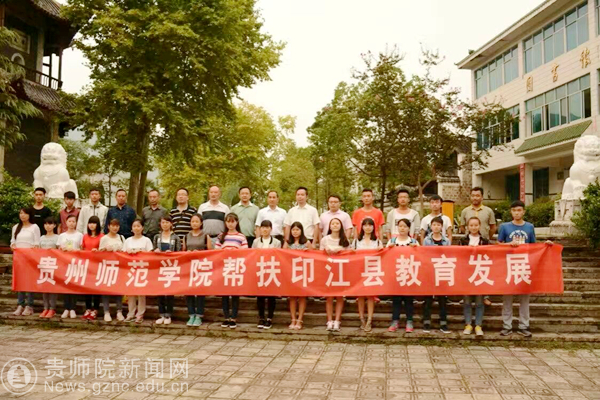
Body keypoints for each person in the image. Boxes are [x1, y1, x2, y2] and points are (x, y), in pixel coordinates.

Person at [498, 200, 553, 338]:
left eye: (519, 210)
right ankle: (506, 325)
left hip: (525, 266)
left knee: (524, 299)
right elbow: (498, 245)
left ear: (523, 212)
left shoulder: (529, 227)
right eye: (514, 210)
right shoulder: (504, 227)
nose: (517, 213)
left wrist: (545, 245)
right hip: (509, 265)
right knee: (507, 298)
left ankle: (524, 326)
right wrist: (509, 244)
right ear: (511, 212)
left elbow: (534, 246)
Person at [460, 187, 497, 307]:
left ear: (482, 197)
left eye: (477, 195)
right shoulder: (465, 211)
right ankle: (466, 295)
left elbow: (493, 227)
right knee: (468, 270)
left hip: (483, 245)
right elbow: (462, 227)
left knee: (484, 269)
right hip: (469, 246)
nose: (475, 198)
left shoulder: (488, 211)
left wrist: (486, 237)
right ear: (470, 197)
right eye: (473, 195)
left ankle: (485, 296)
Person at [215, 213, 247, 328]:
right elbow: (216, 251)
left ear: (237, 222)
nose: (230, 224)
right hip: (223, 268)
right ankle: (226, 317)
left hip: (236, 267)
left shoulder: (241, 237)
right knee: (224, 294)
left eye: (233, 221)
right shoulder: (221, 236)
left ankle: (233, 317)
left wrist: (235, 252)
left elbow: (245, 252)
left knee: (234, 293)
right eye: (228, 221)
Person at [387, 219, 419, 333]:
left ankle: (409, 321)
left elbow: (420, 256)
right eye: (400, 226)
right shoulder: (392, 241)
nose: (402, 228)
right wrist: (389, 249)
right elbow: (385, 256)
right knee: (396, 300)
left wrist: (416, 249)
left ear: (409, 228)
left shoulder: (413, 241)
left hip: (409, 274)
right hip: (396, 274)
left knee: (409, 299)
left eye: (405, 226)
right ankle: (395, 321)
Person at [352, 218, 383, 332]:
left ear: (374, 227)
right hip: (359, 271)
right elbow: (351, 254)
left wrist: (381, 250)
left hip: (372, 271)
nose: (367, 227)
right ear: (362, 227)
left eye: (370, 225)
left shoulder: (377, 241)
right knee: (360, 296)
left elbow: (382, 255)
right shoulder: (356, 241)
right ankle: (362, 319)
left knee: (370, 296)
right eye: (365, 225)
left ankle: (370, 319)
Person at [459, 217, 489, 336]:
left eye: (476, 225)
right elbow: (458, 255)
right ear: (467, 227)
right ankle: (468, 324)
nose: (473, 227)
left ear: (479, 226)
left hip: (480, 272)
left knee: (479, 301)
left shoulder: (484, 241)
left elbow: (490, 254)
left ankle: (478, 325)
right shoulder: (463, 240)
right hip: (466, 273)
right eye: (471, 225)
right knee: (467, 301)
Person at [320, 218, 351, 332]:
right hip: (328, 270)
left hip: (341, 271)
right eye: (333, 223)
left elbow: (350, 254)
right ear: (330, 226)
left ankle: (337, 320)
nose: (335, 225)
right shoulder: (325, 239)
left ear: (341, 226)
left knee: (339, 296)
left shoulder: (345, 240)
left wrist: (340, 250)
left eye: (337, 223)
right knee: (329, 297)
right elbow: (319, 254)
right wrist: (326, 250)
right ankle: (329, 320)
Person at [422, 216, 451, 333]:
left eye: (438, 225)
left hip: (442, 270)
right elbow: (424, 254)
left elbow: (449, 254)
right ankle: (426, 321)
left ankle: (443, 322)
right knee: (428, 298)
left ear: (442, 227)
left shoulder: (446, 241)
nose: (436, 227)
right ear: (431, 226)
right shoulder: (426, 240)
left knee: (442, 299)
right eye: (434, 225)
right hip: (429, 271)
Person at [184, 214, 212, 327]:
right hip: (189, 265)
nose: (194, 223)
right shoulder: (186, 236)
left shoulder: (206, 236)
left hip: (201, 265)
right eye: (193, 221)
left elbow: (210, 251)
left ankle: (199, 315)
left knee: (200, 290)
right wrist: (188, 253)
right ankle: (191, 314)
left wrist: (199, 253)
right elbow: (183, 251)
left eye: (197, 221)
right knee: (189, 290)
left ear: (201, 223)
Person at [252, 220, 282, 330]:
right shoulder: (256, 242)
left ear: (271, 229)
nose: (265, 230)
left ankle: (269, 318)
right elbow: (252, 255)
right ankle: (261, 317)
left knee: (271, 296)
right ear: (260, 229)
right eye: (263, 227)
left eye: (267, 227)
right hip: (259, 270)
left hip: (271, 270)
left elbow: (279, 255)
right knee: (260, 295)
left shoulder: (277, 242)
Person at [123, 218, 153, 323]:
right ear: (131, 228)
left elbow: (150, 254)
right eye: (134, 226)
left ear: (142, 228)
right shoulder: (128, 241)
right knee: (130, 292)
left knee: (141, 293)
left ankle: (140, 313)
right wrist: (129, 252)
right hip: (131, 269)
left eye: (138, 226)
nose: (136, 228)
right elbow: (122, 255)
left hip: (142, 269)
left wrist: (141, 252)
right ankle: (130, 313)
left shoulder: (146, 240)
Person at [153, 215, 181, 325]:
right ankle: (161, 314)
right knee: (160, 291)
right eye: (163, 222)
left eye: (167, 222)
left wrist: (172, 253)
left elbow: (179, 252)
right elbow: (153, 250)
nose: (165, 225)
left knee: (169, 292)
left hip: (171, 267)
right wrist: (155, 250)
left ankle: (168, 314)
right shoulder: (157, 237)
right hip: (159, 267)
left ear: (171, 224)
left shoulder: (176, 237)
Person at [11, 207, 40, 316]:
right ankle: (20, 304)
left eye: (25, 213)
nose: (22, 215)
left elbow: (37, 243)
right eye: (21, 213)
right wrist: (13, 245)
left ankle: (29, 305)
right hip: (19, 259)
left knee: (29, 282)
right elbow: (13, 241)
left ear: (30, 215)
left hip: (30, 259)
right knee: (20, 281)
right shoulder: (16, 227)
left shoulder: (34, 227)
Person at [284, 221, 312, 330]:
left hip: (303, 272)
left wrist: (308, 251)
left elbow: (314, 255)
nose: (295, 232)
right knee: (292, 296)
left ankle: (300, 319)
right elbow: (282, 255)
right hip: (291, 272)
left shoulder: (306, 242)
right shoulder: (287, 243)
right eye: (293, 230)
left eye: (297, 229)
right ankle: (293, 319)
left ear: (301, 231)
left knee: (302, 296)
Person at [57, 214, 84, 319]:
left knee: (73, 286)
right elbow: (58, 250)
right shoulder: (62, 236)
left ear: (76, 223)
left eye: (73, 221)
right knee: (65, 285)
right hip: (64, 263)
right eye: (70, 221)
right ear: (66, 222)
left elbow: (82, 249)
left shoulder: (80, 235)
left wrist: (74, 250)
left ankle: (72, 308)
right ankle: (66, 308)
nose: (71, 223)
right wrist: (62, 249)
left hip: (75, 263)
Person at [99, 219, 126, 322]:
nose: (115, 228)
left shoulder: (121, 238)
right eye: (113, 225)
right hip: (107, 268)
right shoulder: (104, 238)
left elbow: (125, 252)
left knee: (119, 290)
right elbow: (99, 254)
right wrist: (105, 250)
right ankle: (106, 311)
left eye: (117, 226)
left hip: (119, 267)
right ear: (108, 226)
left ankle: (119, 311)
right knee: (106, 290)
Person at [81, 216, 103, 321]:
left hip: (97, 265)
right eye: (90, 223)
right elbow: (82, 249)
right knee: (87, 288)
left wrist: (98, 251)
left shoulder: (102, 236)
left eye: (94, 223)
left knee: (96, 288)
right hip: (87, 265)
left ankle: (96, 309)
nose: (92, 225)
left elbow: (103, 250)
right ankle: (88, 308)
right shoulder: (85, 236)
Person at [39, 216, 59, 319]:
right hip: (43, 265)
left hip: (53, 265)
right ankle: (45, 307)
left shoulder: (58, 237)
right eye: (46, 224)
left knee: (52, 288)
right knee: (44, 287)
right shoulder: (41, 238)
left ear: (54, 225)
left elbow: (60, 251)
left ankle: (52, 308)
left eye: (50, 224)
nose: (48, 226)